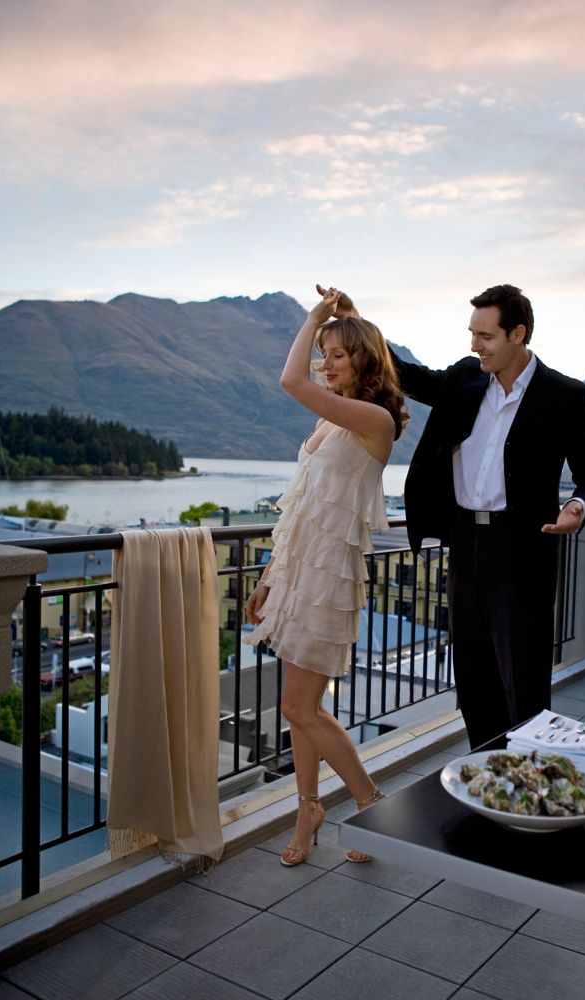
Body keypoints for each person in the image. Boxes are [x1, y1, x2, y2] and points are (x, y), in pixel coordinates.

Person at [323, 283, 585, 749]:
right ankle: (485, 768)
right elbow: (406, 375)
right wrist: (356, 321)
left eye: (486, 336)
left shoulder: (564, 395)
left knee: (523, 680)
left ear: (518, 334)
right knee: (475, 679)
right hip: (464, 545)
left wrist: (577, 507)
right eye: (472, 333)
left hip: (522, 551)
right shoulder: (465, 378)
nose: (475, 345)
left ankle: (528, 775)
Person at [245, 286, 408, 866]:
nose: (327, 363)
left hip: (328, 578)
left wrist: (317, 315)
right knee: (299, 707)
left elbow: (290, 380)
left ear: (365, 360)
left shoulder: (375, 421)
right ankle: (308, 809)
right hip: (297, 572)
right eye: (325, 353)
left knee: (300, 708)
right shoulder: (332, 419)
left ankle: (370, 803)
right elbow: (302, 505)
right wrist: (270, 575)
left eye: (338, 354)